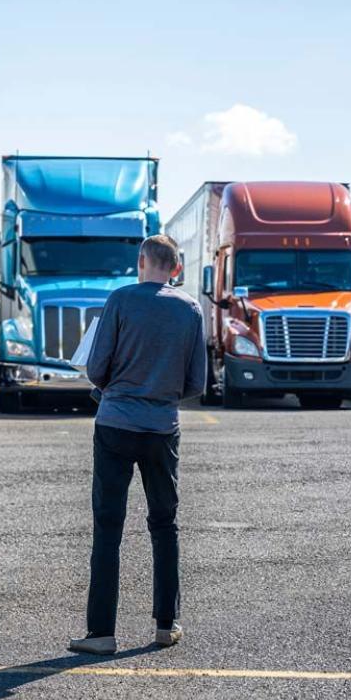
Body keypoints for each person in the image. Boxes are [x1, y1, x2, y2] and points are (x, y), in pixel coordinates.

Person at [68, 234, 207, 655]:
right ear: (176, 268)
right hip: (162, 428)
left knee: (108, 527)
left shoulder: (121, 300)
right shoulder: (190, 309)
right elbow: (196, 382)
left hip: (115, 425)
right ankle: (166, 624)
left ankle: (101, 633)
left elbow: (96, 368)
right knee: (165, 525)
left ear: (142, 261)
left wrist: (116, 384)